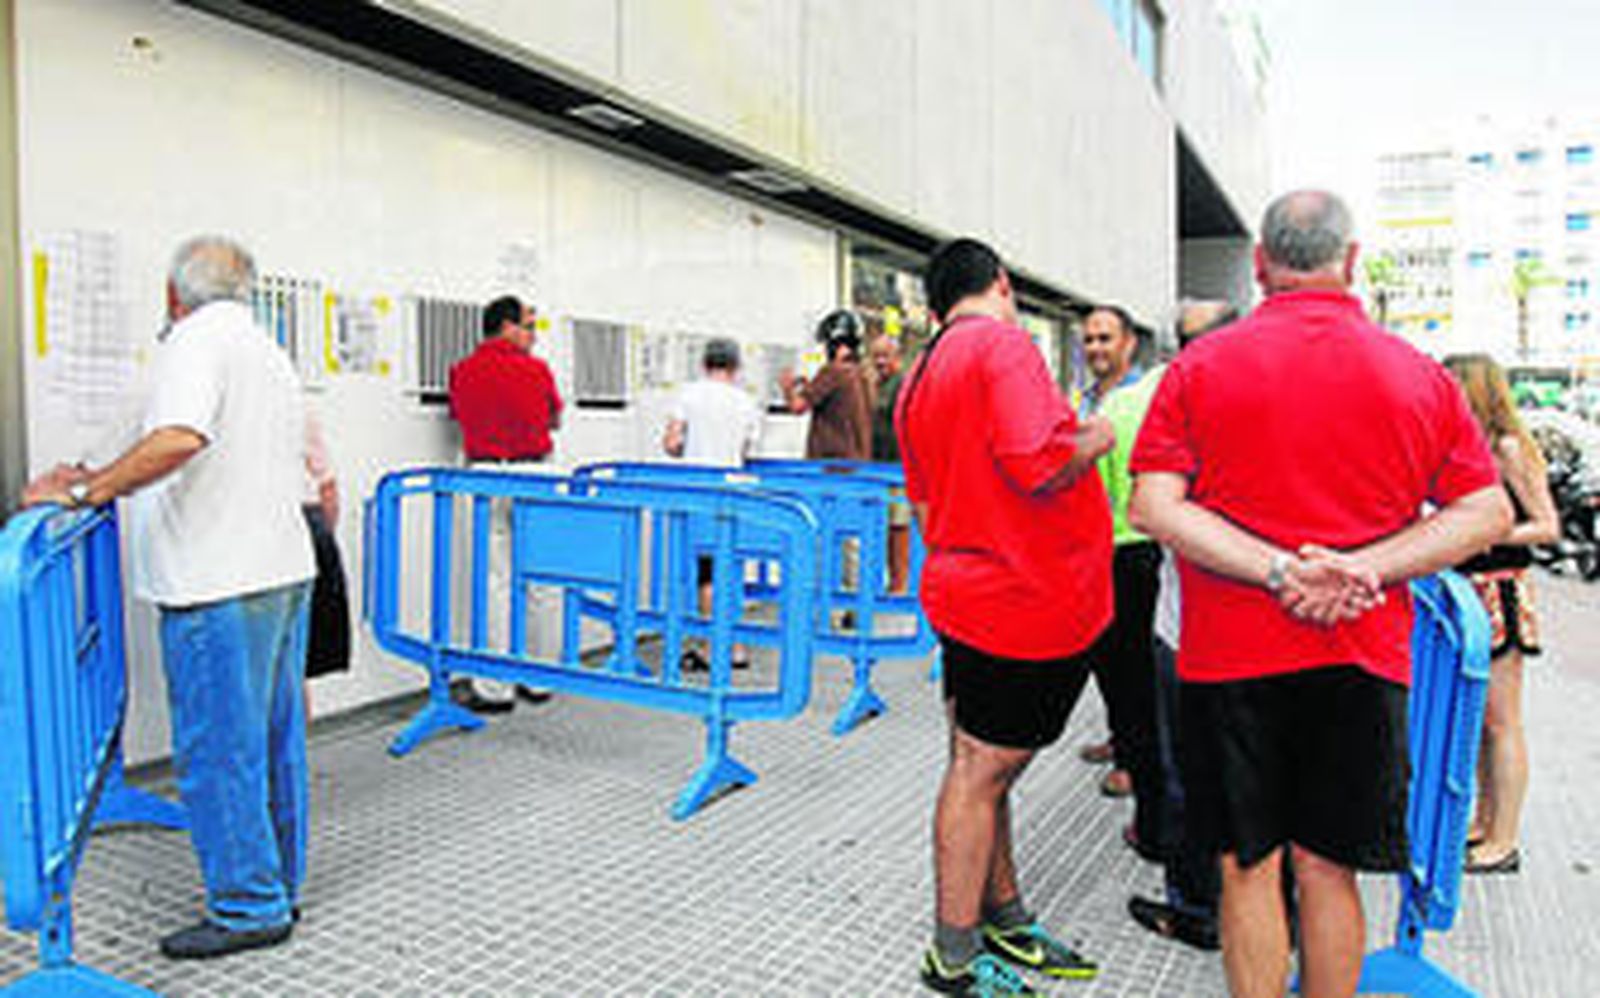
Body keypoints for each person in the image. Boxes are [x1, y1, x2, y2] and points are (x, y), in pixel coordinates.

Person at [1129, 190, 1511, 998]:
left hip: (1228, 659)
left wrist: (1278, 572)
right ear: (1352, 261)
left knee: (1246, 867)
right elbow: (1488, 510)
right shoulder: (1416, 375)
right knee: (1329, 870)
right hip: (1362, 656)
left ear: (1262, 264)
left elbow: (1154, 506)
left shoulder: (1198, 368)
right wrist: (1366, 569)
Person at [23, 236, 317, 960]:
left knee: (218, 751)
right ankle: (276, 883)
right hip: (279, 571)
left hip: (218, 580)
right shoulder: (263, 348)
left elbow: (180, 436)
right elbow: (152, 424)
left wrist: (88, 490)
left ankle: (248, 907)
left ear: (172, 295)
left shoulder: (193, 341)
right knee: (271, 743)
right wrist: (89, 467)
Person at [897, 238, 1113, 997]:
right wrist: (1099, 434)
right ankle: (952, 960)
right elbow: (1042, 462)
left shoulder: (919, 375)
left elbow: (923, 505)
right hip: (1025, 600)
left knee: (978, 768)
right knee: (981, 772)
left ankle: (1005, 917)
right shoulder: (1003, 346)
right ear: (1002, 284)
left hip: (965, 592)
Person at [1125, 299, 1239, 952]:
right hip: (1256, 629)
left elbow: (1147, 510)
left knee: (1192, 775)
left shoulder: (1181, 402)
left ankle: (1197, 907)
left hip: (1200, 630)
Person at [1443, 354, 1560, 875]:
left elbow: (1547, 525)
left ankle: (1504, 838)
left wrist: (1487, 532)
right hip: (1473, 590)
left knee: (1502, 721)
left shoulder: (1511, 448)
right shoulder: (1475, 447)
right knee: (1484, 721)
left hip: (1502, 591)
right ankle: (1485, 822)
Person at [447, 294, 564, 713]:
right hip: (536, 476)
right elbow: (554, 418)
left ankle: (493, 688)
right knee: (543, 581)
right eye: (530, 326)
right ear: (507, 327)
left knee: (493, 581)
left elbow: (459, 417)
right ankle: (540, 679)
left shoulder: (462, 371)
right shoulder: (537, 370)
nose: (534, 335)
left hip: (484, 477)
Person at [1075, 305, 1145, 797]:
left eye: (1105, 339)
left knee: (1132, 664)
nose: (1096, 348)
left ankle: (1137, 762)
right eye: (1090, 340)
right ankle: (1123, 739)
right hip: (1095, 546)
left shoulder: (1140, 398)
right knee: (1107, 658)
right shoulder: (1087, 399)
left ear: (1129, 344)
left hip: (1134, 548)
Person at [662, 336, 762, 671]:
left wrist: (688, 448)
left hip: (699, 492)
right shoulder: (746, 401)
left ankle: (711, 647)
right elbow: (749, 453)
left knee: (707, 573)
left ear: (705, 364)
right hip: (735, 493)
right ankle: (736, 646)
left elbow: (672, 443)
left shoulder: (689, 395)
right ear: (735, 367)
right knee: (731, 569)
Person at [302, 407, 351, 710]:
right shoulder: (298, 404)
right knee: (294, 667)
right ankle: (292, 755)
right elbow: (327, 486)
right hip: (311, 524)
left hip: (264, 532)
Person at [779, 309, 873, 461]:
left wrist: (787, 387)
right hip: (859, 465)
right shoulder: (865, 375)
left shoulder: (833, 371)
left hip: (830, 468)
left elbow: (798, 406)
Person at [868, 333, 912, 593]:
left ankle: (899, 583)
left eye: (885, 356)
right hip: (874, 467)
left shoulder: (901, 384)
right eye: (875, 356)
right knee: (879, 526)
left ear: (897, 357)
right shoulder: (876, 383)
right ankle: (883, 580)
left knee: (898, 526)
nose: (879, 361)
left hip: (896, 466)